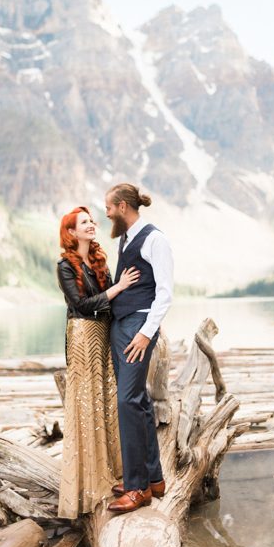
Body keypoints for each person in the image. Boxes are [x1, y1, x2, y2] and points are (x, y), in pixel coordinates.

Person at [56, 205, 140, 519]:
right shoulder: (65, 265)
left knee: (105, 401)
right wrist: (118, 288)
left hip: (103, 334)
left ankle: (112, 475)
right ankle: (86, 486)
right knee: (85, 404)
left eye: (92, 220)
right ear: (71, 232)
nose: (92, 225)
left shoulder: (98, 260)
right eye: (84, 223)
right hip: (82, 335)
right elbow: (80, 303)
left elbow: (107, 300)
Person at [104, 183, 174, 514]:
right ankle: (154, 479)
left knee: (127, 400)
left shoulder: (155, 239)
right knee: (139, 400)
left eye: (109, 207)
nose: (106, 214)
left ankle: (136, 488)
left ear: (122, 206)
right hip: (122, 325)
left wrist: (146, 333)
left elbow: (165, 293)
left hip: (138, 327)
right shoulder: (126, 238)